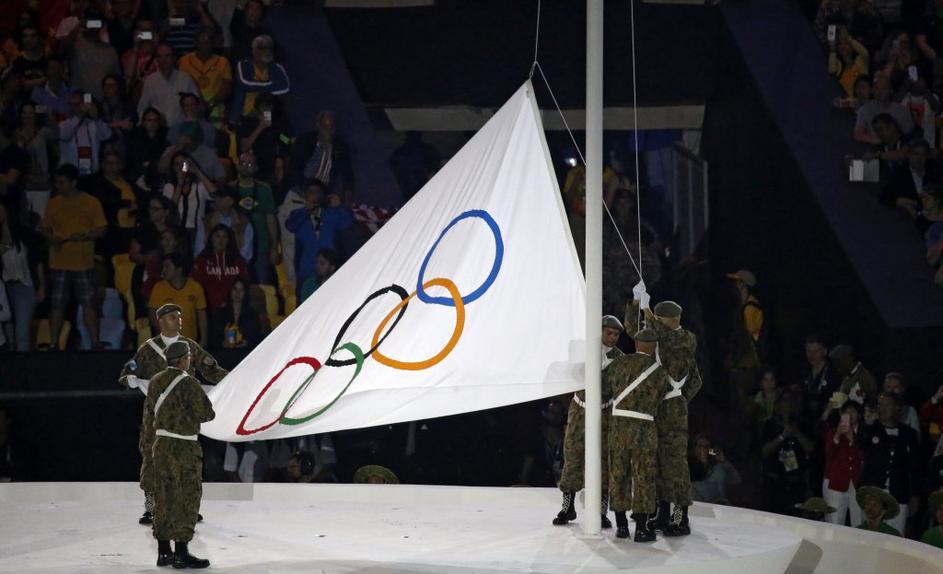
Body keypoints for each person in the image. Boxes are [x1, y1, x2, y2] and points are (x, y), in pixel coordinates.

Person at [118, 303, 227, 525]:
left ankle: (187, 507)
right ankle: (151, 508)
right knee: (151, 458)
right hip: (156, 415)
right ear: (161, 321)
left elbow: (211, 370)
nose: (177, 321)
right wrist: (130, 379)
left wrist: (233, 380)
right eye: (172, 317)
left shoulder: (190, 346)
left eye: (179, 317)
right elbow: (128, 371)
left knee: (186, 461)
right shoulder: (148, 349)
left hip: (184, 415)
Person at [625, 290, 702, 537]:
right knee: (656, 460)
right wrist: (636, 303)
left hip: (672, 408)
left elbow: (665, 338)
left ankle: (681, 517)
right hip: (656, 406)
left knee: (675, 463)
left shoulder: (686, 338)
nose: (653, 321)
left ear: (672, 319)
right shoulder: (660, 336)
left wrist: (678, 400)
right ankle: (663, 511)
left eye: (658, 317)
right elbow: (633, 331)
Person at [144, 340, 215, 567]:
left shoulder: (155, 382)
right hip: (184, 447)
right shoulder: (189, 384)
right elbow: (207, 414)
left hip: (161, 444)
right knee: (186, 497)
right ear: (185, 360)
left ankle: (163, 552)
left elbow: (149, 415)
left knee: (163, 496)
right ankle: (181, 552)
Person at [552, 316, 625, 529]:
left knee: (604, 459)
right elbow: (569, 371)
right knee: (573, 454)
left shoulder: (620, 358)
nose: (612, 337)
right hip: (581, 409)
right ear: (600, 331)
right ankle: (568, 506)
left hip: (605, 411)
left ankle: (601, 511)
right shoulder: (583, 351)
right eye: (608, 332)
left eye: (616, 334)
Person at [606, 328, 669, 542]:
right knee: (644, 476)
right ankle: (641, 529)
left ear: (636, 344)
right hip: (644, 427)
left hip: (619, 425)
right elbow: (662, 398)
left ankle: (621, 526)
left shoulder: (618, 364)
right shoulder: (659, 372)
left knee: (619, 473)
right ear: (654, 348)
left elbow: (606, 391)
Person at [40, 164, 106, 350]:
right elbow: (45, 228)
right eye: (57, 182)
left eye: (62, 182)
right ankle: (54, 342)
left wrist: (86, 236)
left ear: (73, 182)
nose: (58, 185)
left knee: (89, 304)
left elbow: (102, 229)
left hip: (83, 262)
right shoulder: (53, 203)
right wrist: (52, 238)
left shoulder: (91, 202)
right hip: (59, 261)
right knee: (57, 304)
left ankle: (95, 342)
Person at [859, 391, 921, 535]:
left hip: (898, 493)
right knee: (868, 534)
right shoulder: (870, 428)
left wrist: (915, 495)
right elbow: (860, 444)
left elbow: (916, 467)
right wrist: (867, 425)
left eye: (888, 404)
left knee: (896, 538)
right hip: (872, 494)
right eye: (880, 404)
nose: (883, 408)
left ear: (897, 407)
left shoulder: (909, 434)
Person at [286, 178, 353, 299]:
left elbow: (348, 222)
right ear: (305, 195)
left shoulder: (331, 214)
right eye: (310, 192)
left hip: (328, 270)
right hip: (306, 270)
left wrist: (339, 206)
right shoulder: (299, 214)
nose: (314, 195)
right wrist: (306, 210)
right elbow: (290, 226)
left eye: (317, 192)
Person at [760, 394, 815, 516]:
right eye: (784, 402)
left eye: (790, 402)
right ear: (777, 405)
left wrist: (796, 433)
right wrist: (782, 436)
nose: (787, 406)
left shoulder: (802, 424)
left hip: (796, 484)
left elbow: (811, 448)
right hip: (774, 484)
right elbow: (764, 451)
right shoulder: (769, 425)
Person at [0, 204, 45, 351]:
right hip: (4, 288)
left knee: (22, 333)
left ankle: (23, 367)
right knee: (7, 331)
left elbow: (37, 262)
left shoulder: (24, 234)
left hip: (24, 286)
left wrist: (41, 286)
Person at [233, 150, 280, 284]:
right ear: (237, 165)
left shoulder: (264, 189)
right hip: (237, 246)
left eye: (250, 164)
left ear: (256, 168)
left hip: (261, 246)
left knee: (261, 284)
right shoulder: (230, 188)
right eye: (243, 163)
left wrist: (274, 248)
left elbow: (271, 220)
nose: (246, 167)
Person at [148, 253, 209, 345]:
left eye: (167, 267)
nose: (164, 270)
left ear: (179, 269)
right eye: (163, 267)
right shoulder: (159, 288)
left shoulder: (196, 287)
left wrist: (203, 339)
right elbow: (153, 314)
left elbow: (202, 315)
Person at [229, 34, 289, 126]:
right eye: (262, 49)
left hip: (269, 114)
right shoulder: (243, 65)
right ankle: (234, 122)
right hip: (246, 117)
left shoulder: (276, 67)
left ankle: (280, 136)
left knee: (285, 139)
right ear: (254, 51)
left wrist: (258, 87)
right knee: (241, 90)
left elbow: (285, 87)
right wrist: (271, 85)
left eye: (269, 48)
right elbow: (244, 83)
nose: (267, 52)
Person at [288, 110, 352, 195]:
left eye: (331, 127)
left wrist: (346, 197)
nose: (328, 132)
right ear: (318, 126)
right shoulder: (305, 141)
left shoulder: (340, 148)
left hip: (322, 195)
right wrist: (306, 191)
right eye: (325, 127)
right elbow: (294, 168)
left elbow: (347, 174)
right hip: (299, 191)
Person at [725, 269, 763, 411]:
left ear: (742, 284)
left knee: (744, 409)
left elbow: (748, 340)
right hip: (741, 365)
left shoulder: (749, 308)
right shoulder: (744, 306)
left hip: (746, 366)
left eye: (736, 282)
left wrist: (734, 360)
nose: (733, 286)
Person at [177, 27, 232, 125]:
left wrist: (211, 104)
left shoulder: (223, 61)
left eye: (208, 42)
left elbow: (227, 87)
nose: (205, 45)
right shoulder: (184, 61)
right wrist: (199, 105)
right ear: (195, 43)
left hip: (216, 107)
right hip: (191, 109)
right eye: (202, 42)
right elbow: (182, 87)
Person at [162, 150, 217, 246]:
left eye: (183, 164)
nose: (180, 167)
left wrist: (197, 171)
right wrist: (179, 184)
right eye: (176, 164)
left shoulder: (199, 186)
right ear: (173, 167)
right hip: (176, 231)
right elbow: (171, 210)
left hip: (196, 231)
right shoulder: (169, 187)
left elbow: (215, 194)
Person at [822, 400, 864, 526]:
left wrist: (852, 440)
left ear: (859, 415)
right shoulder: (833, 432)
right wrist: (837, 436)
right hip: (836, 483)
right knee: (834, 521)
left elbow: (861, 457)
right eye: (847, 411)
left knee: (859, 522)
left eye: (853, 411)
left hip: (857, 484)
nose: (850, 414)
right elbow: (829, 455)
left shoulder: (863, 434)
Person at [137, 43, 199, 127]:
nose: (164, 60)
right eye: (160, 56)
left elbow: (197, 106)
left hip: (182, 129)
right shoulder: (150, 80)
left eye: (167, 56)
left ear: (174, 58)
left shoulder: (186, 79)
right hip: (157, 130)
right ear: (157, 60)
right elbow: (142, 108)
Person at [192, 224, 249, 315]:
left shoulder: (238, 262)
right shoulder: (201, 261)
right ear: (211, 238)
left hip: (233, 310)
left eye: (224, 237)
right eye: (217, 236)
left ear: (229, 240)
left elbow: (244, 286)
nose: (221, 240)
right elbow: (195, 286)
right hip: (207, 310)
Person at [880, 139, 942, 217]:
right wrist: (899, 201)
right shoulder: (900, 173)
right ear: (909, 155)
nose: (919, 158)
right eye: (916, 154)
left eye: (923, 155)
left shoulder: (935, 169)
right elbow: (884, 195)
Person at [58, 90, 112, 177]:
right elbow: (65, 136)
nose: (76, 107)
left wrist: (97, 118)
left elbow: (107, 135)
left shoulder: (94, 123)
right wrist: (79, 116)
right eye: (73, 104)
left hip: (92, 173)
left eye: (79, 104)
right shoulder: (64, 124)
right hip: (70, 176)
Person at [196, 185, 253, 262]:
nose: (215, 200)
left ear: (230, 201)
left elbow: (246, 253)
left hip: (236, 268)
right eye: (215, 197)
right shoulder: (206, 221)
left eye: (219, 198)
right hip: (210, 268)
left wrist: (233, 266)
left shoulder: (244, 222)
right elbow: (199, 250)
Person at [689, 434, 741, 504]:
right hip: (697, 506)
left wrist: (723, 461)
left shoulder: (718, 467)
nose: (703, 449)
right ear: (695, 448)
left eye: (706, 447)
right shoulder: (687, 464)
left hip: (718, 506)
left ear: (711, 449)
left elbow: (736, 480)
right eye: (699, 446)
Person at [210, 278, 260, 349]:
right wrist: (222, 343)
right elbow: (213, 337)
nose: (237, 293)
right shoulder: (221, 313)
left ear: (245, 293)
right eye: (235, 289)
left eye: (241, 290)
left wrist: (247, 342)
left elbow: (256, 336)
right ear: (230, 291)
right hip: (225, 352)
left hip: (245, 351)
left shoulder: (251, 313)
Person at [127, 107, 168, 186]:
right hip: (138, 176)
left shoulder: (164, 139)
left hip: (158, 176)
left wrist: (151, 164)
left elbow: (162, 161)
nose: (152, 123)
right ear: (143, 122)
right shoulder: (135, 138)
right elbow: (137, 162)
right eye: (149, 120)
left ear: (159, 122)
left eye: (155, 120)